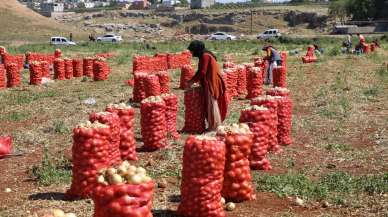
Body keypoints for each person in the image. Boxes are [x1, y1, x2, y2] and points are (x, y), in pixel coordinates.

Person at [187, 41, 228, 131]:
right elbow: (201, 71)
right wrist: (193, 80)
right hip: (209, 81)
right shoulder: (205, 55)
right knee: (210, 104)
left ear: (197, 49)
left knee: (211, 104)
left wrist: (192, 81)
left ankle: (214, 127)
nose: (192, 53)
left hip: (211, 82)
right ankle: (213, 125)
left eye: (192, 51)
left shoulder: (205, 56)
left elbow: (202, 71)